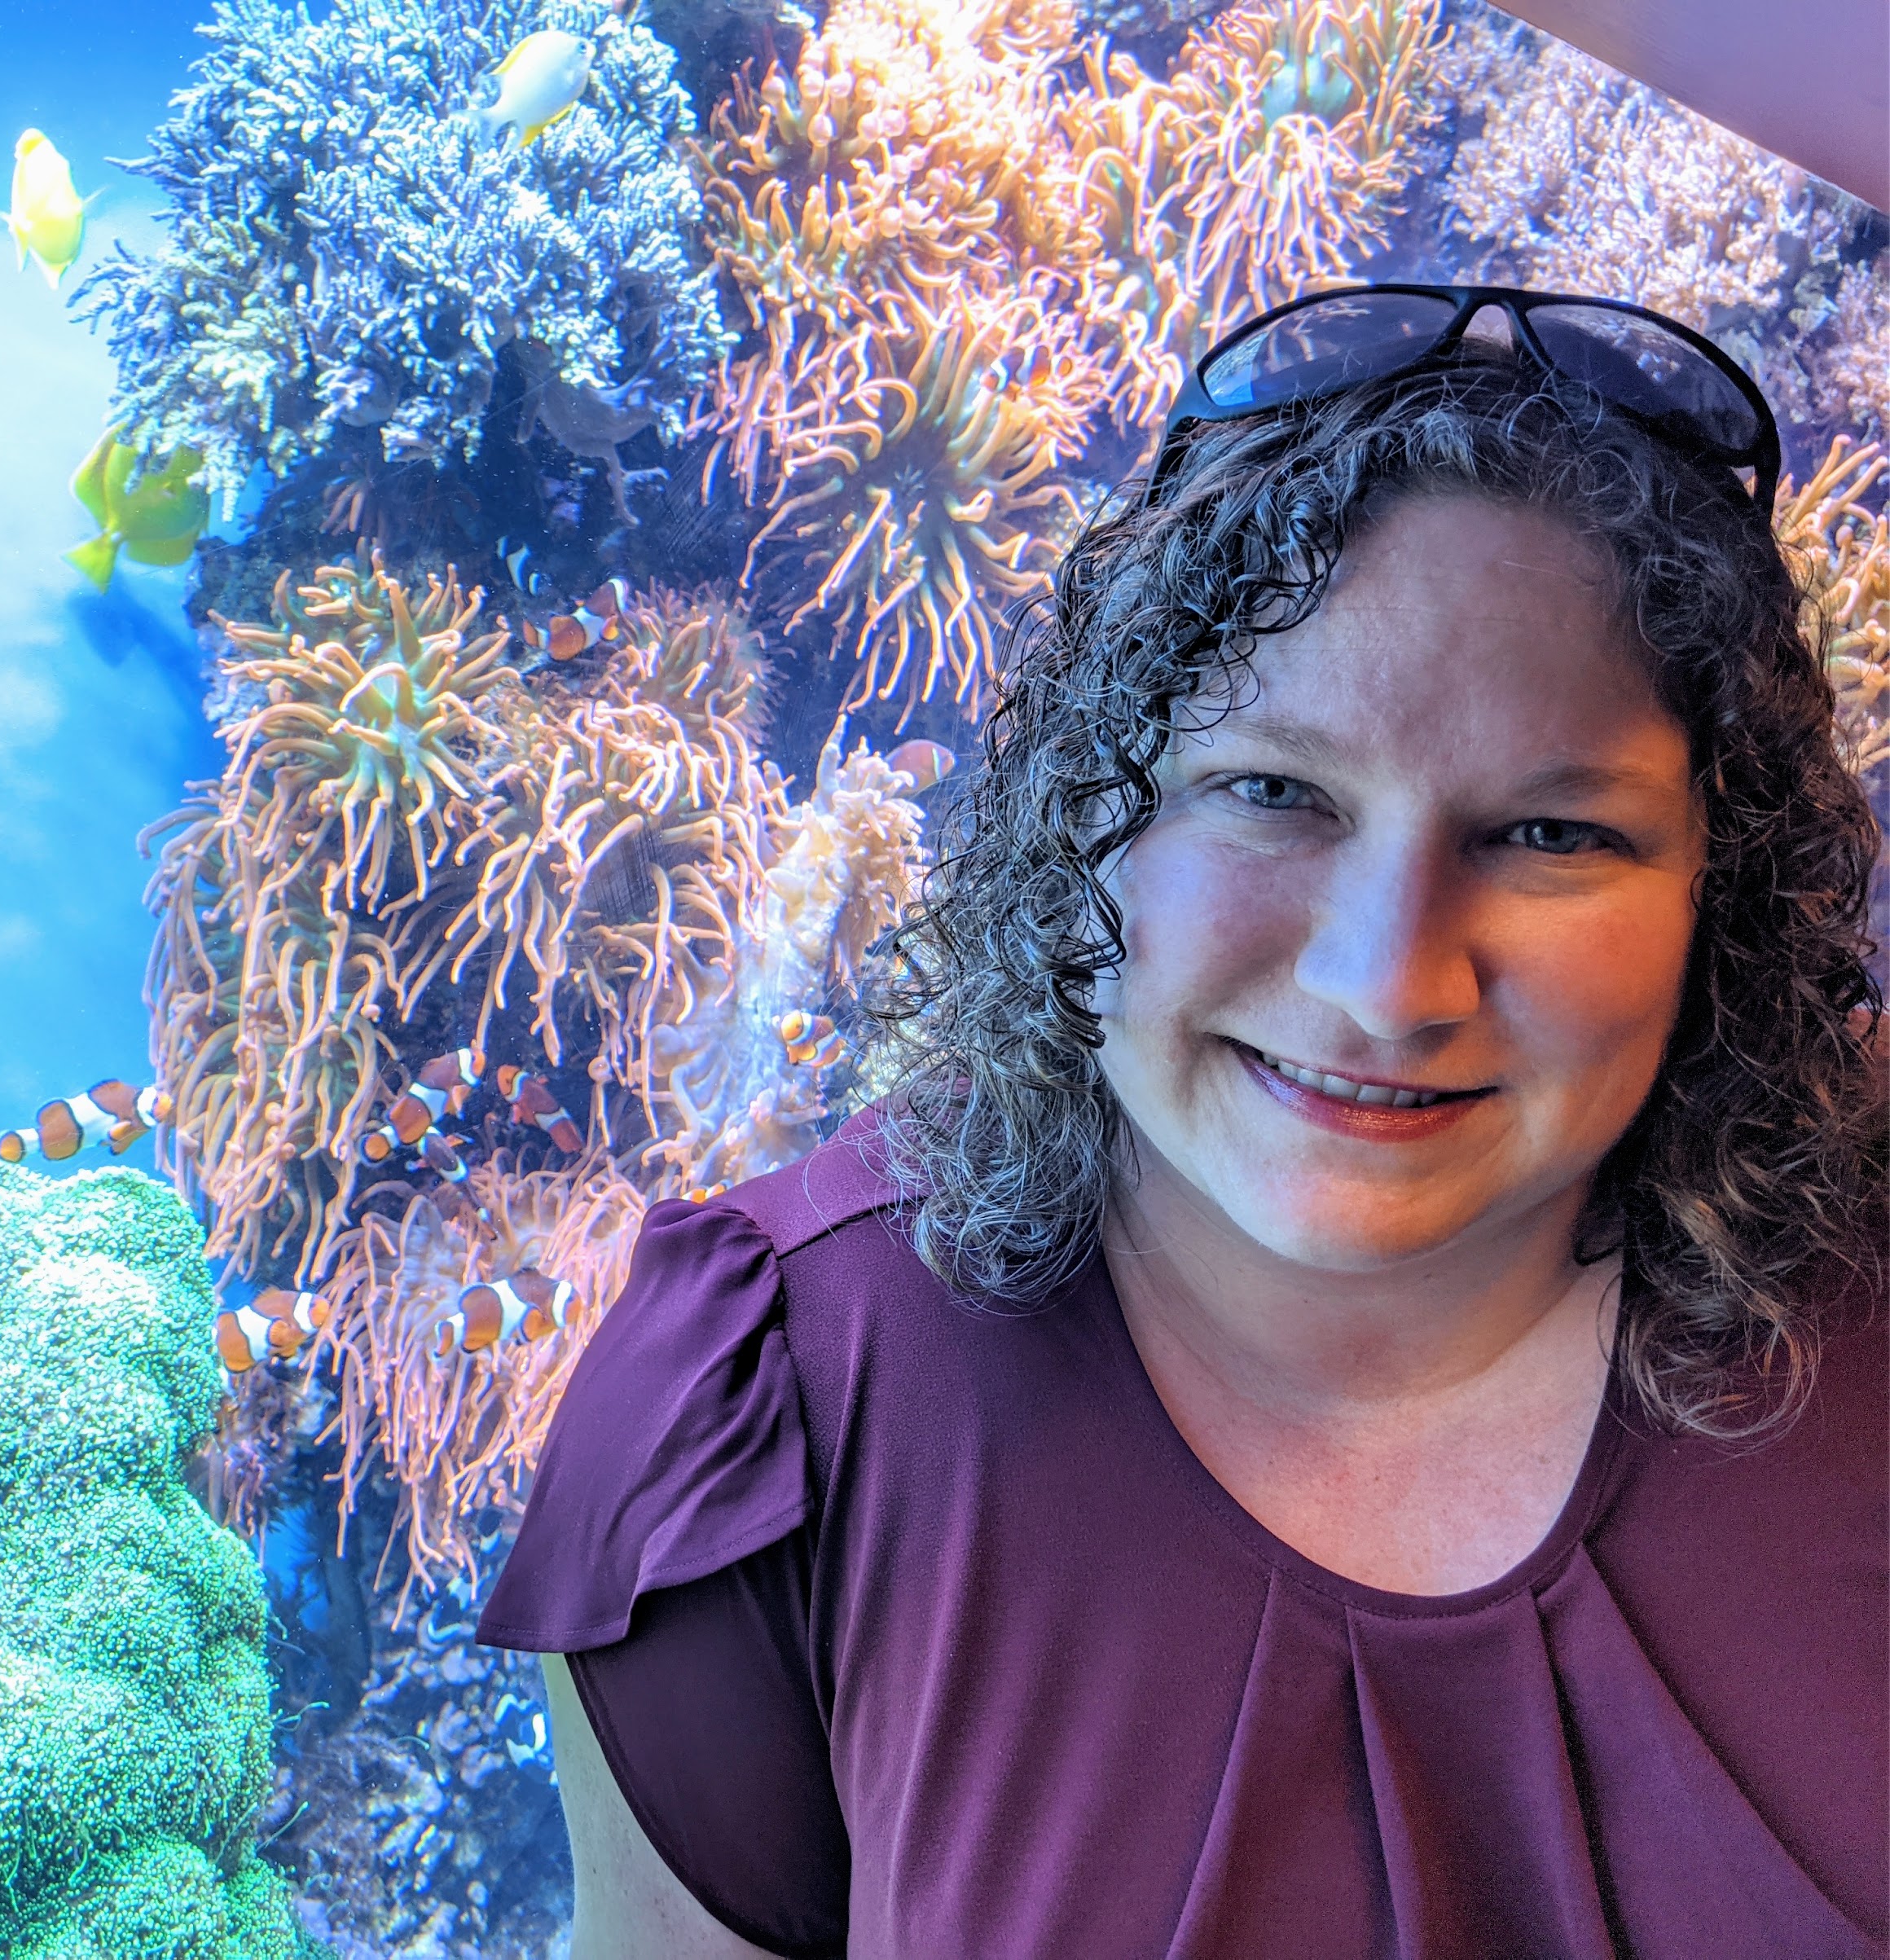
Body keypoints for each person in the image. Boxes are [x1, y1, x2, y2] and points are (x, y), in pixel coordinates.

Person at [477, 286, 1888, 1959]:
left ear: (1713, 893)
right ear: (1096, 823)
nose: (1385, 982)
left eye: (1545, 834)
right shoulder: (772, 1411)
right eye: (1273, 793)